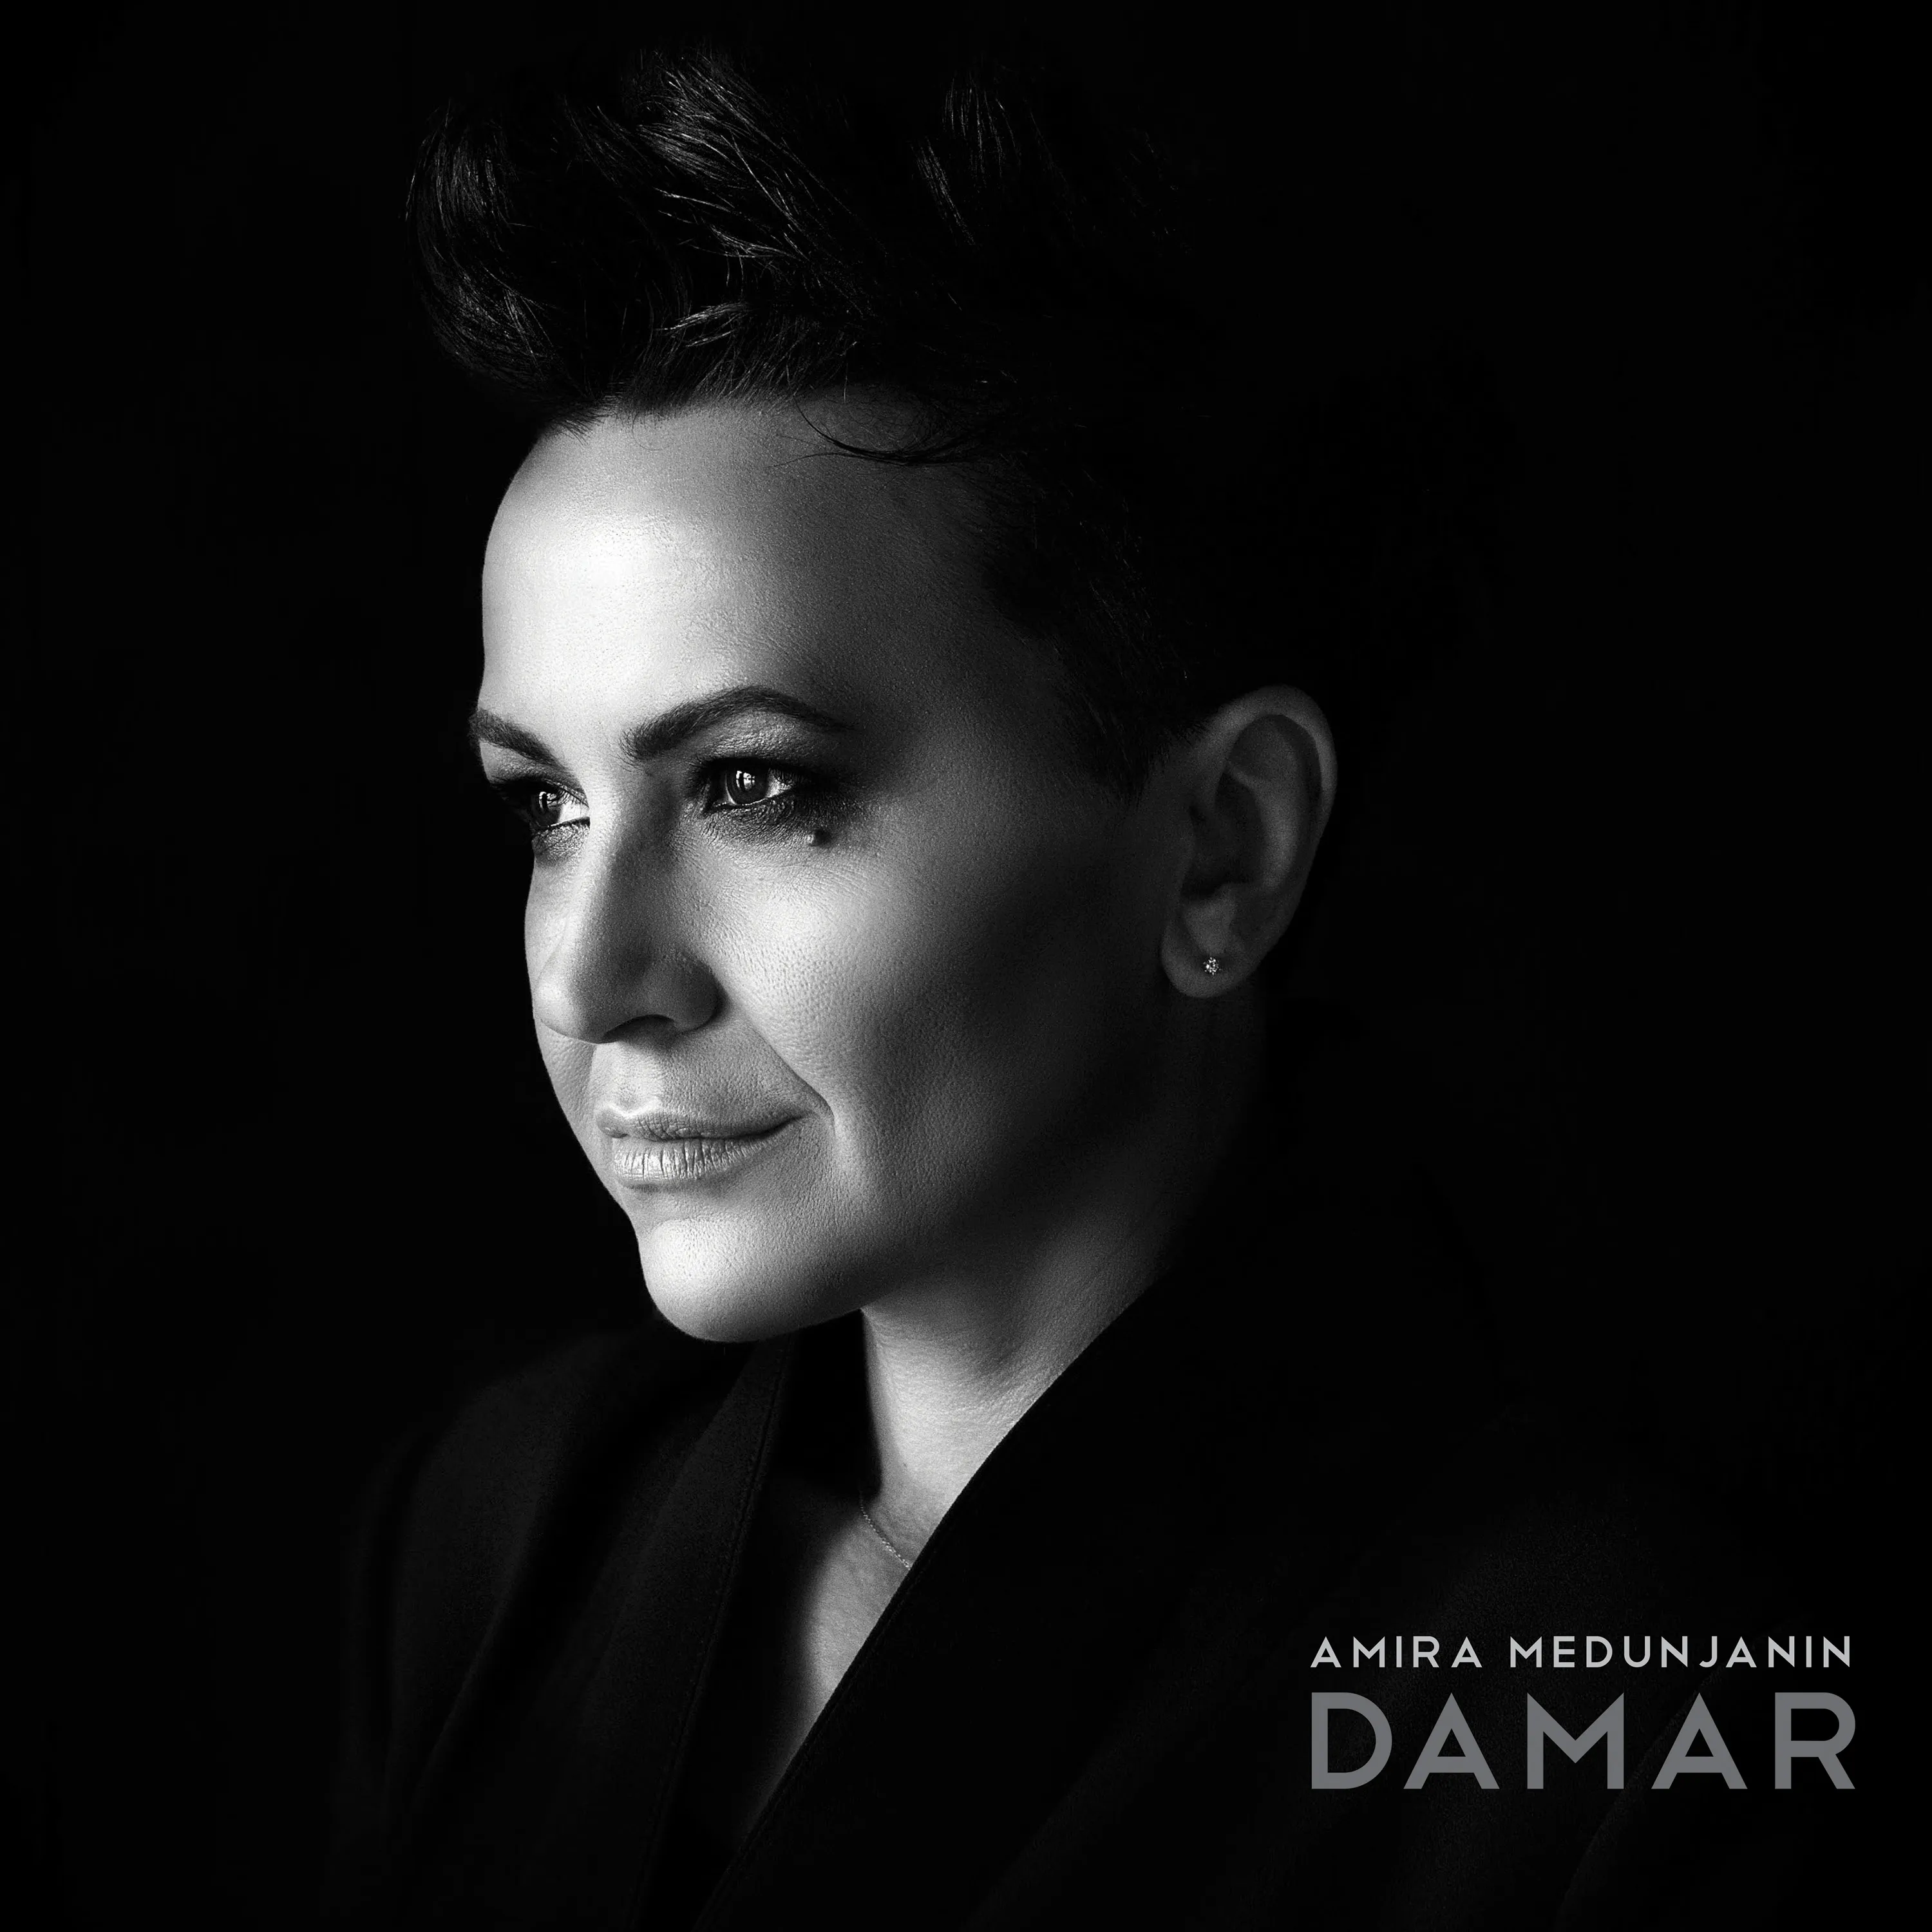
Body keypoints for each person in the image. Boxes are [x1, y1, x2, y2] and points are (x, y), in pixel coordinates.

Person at [320, 16, 1852, 1928]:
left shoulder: (1613, 1714)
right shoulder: (494, 1535)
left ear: (1223, 845)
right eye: (546, 805)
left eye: (754, 787)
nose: (592, 975)